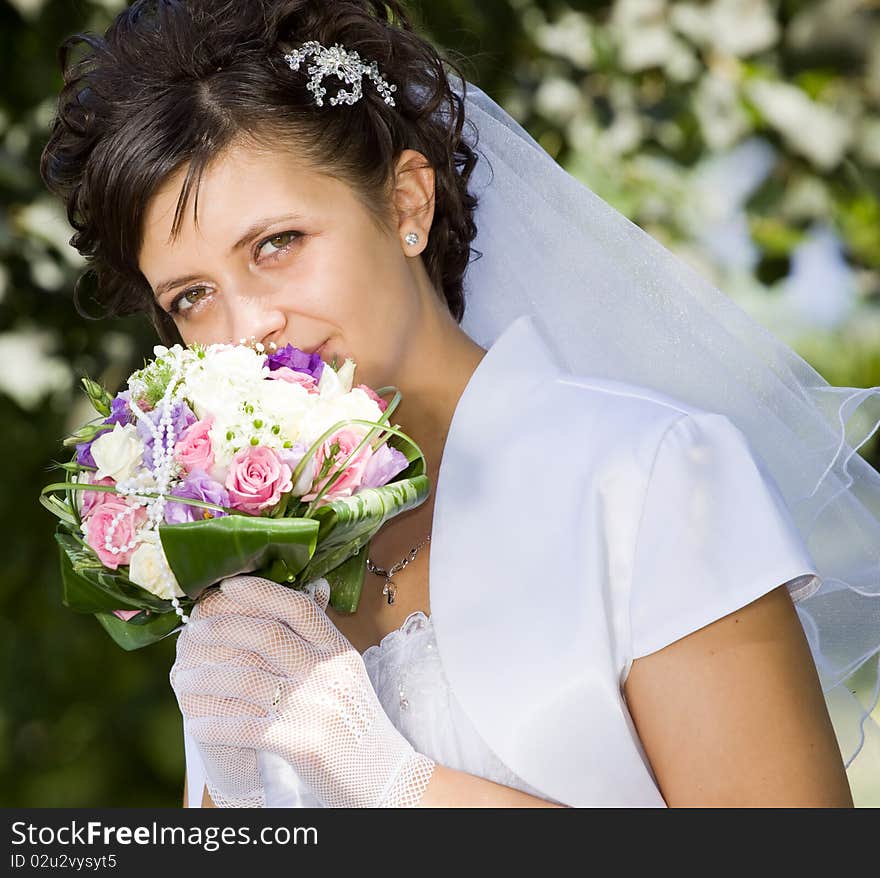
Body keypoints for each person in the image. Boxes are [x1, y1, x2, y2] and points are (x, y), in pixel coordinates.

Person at [39, 0, 879, 807]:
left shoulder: (647, 476)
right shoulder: (250, 565)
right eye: (190, 296)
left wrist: (396, 788)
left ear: (406, 202)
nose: (247, 326)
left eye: (277, 243)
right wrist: (238, 792)